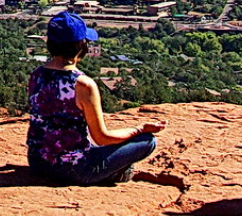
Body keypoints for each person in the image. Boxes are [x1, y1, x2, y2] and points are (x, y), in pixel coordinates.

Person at [27, 11, 167, 185]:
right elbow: (102, 137)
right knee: (148, 141)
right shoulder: (83, 85)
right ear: (81, 46)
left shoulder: (36, 75)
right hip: (75, 169)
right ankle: (112, 174)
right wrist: (140, 129)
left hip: (38, 163)